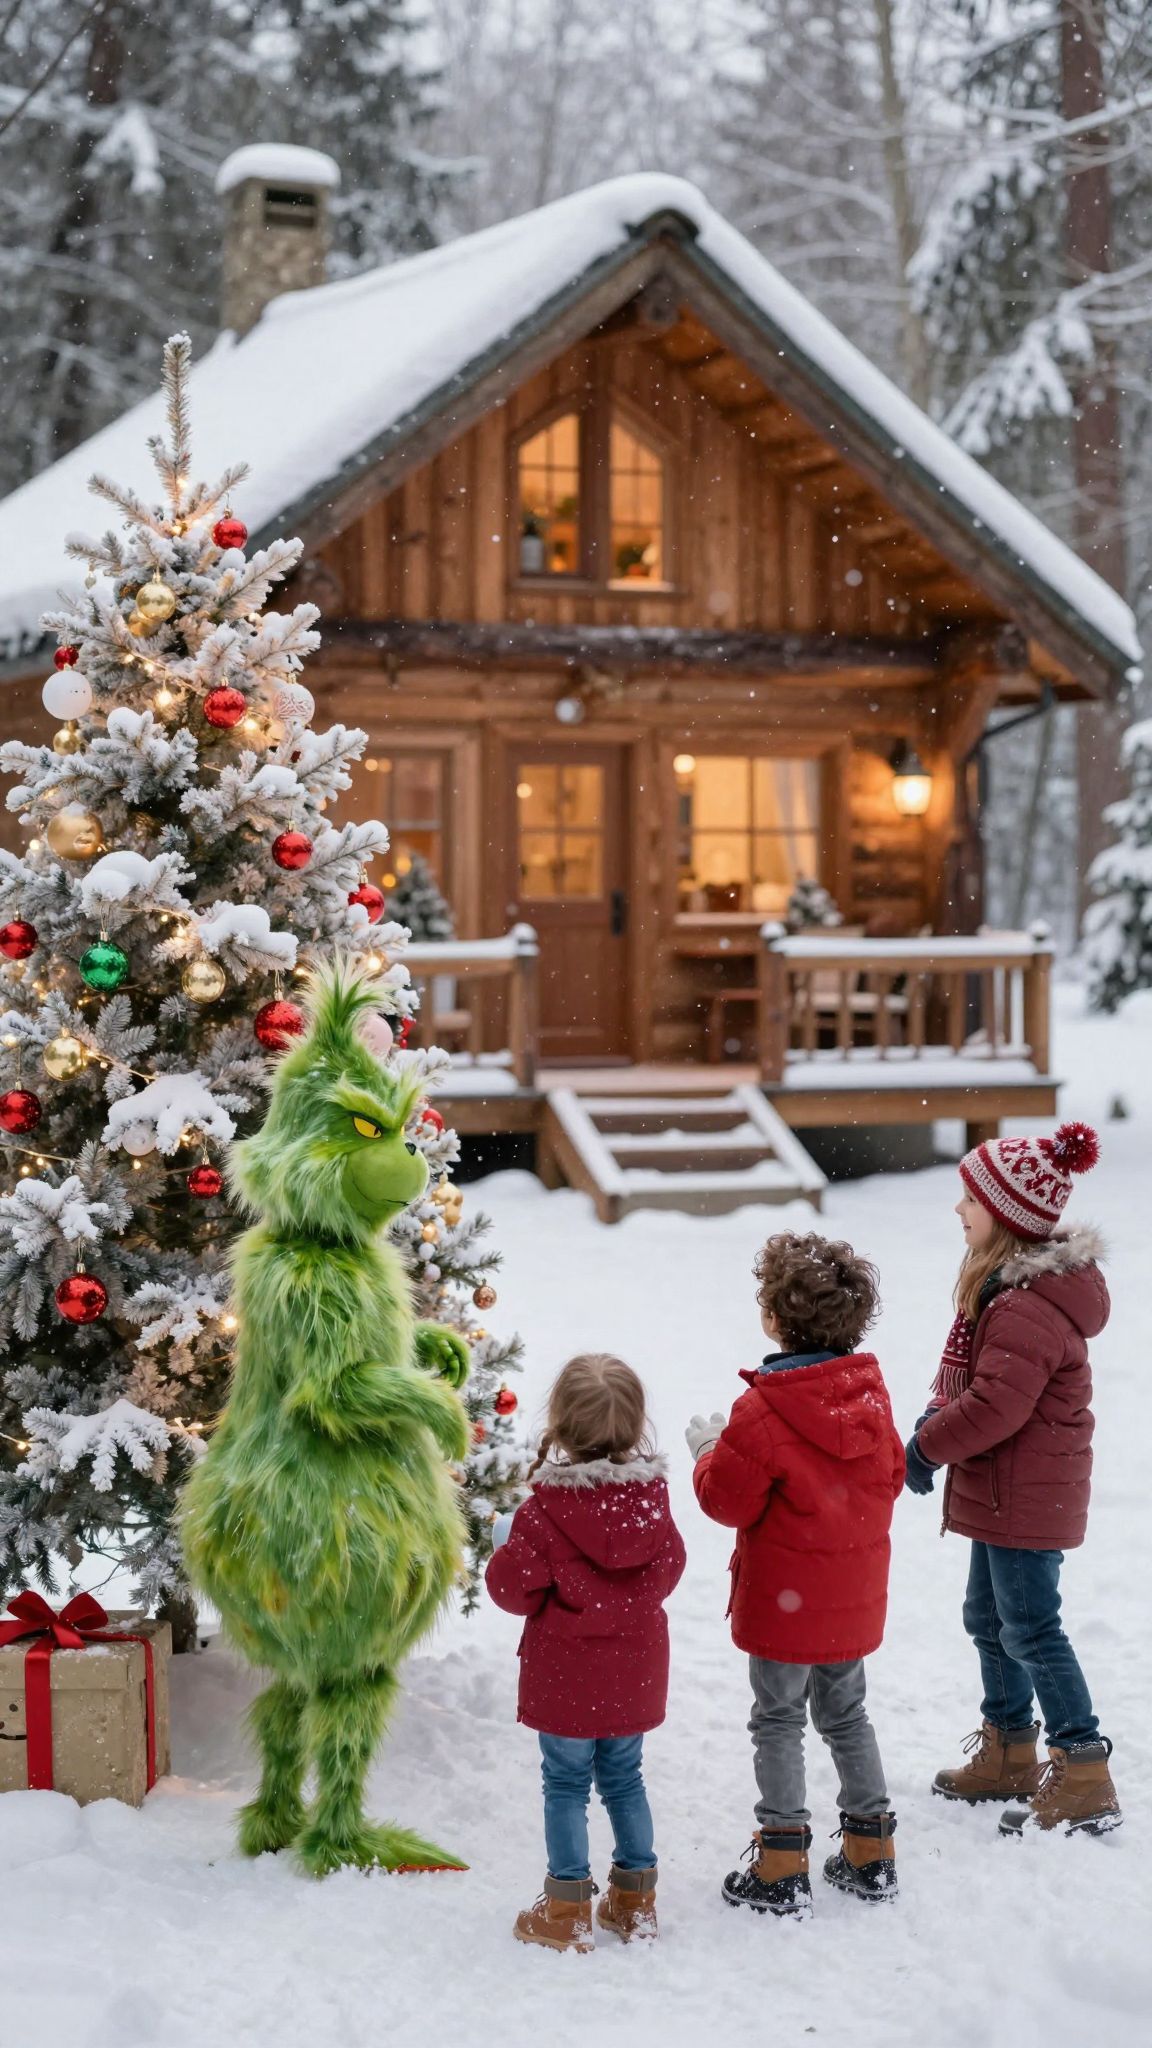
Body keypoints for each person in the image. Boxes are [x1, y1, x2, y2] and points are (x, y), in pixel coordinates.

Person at [904, 1122, 1120, 1837]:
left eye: (969, 1200)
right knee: (990, 1621)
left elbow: (995, 1407)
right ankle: (1009, 1750)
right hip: (1007, 1492)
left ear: (1006, 1215)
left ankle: (1083, 1768)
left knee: (1029, 1627)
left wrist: (928, 1448)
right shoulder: (1008, 1293)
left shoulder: (1025, 1306)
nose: (958, 1212)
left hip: (1024, 1495)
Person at [687, 1231, 904, 1918]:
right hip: (848, 1600)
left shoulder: (763, 1409)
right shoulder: (870, 1396)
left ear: (774, 1319)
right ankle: (871, 1849)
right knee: (846, 1713)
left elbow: (728, 1500)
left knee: (778, 1719)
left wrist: (709, 1451)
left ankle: (781, 1862)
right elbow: (892, 1475)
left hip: (785, 1607)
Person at [485, 1352, 686, 1953]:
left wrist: (505, 1544)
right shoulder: (651, 1502)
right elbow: (669, 1570)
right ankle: (634, 1900)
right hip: (631, 1675)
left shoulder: (543, 1511)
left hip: (567, 1679)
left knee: (566, 1784)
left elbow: (514, 1592)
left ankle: (567, 1908)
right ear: (634, 1427)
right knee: (625, 1778)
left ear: (561, 1429)